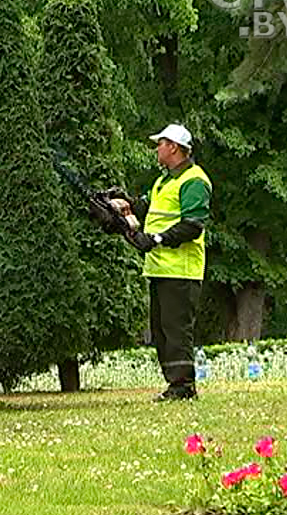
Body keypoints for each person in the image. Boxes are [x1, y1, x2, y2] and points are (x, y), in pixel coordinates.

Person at [110, 124, 212, 402]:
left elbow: (192, 226)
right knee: (162, 330)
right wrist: (123, 203)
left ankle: (183, 387)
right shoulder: (164, 181)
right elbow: (145, 207)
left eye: (160, 144)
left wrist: (154, 239)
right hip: (160, 268)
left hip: (182, 270)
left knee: (177, 329)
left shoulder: (193, 180)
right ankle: (174, 385)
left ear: (174, 147)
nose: (157, 149)